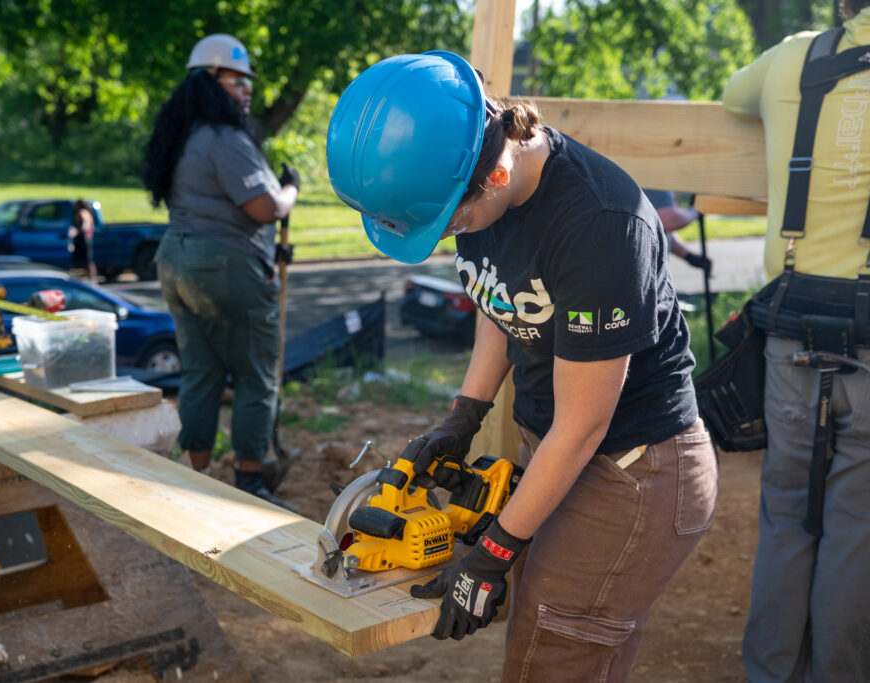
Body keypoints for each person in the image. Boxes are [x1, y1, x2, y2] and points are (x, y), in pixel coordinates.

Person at [326, 51, 717, 681]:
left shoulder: (599, 227)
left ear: (497, 175)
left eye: (452, 220)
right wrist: (464, 417)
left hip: (630, 472)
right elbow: (499, 295)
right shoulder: (475, 189)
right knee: (566, 648)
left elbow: (584, 424)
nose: (452, 234)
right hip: (563, 453)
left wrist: (493, 552)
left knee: (550, 657)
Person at [722, 3, 870, 679]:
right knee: (855, 528)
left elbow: (730, 96)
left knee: (785, 517)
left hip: (790, 327)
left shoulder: (795, 57)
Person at [142, 34, 300, 511]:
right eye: (236, 81)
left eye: (247, 82)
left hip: (175, 261)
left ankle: (195, 478)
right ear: (209, 81)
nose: (246, 90)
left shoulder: (182, 138)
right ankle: (251, 483)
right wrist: (291, 189)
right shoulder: (223, 138)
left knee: (201, 372)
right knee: (255, 374)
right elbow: (264, 207)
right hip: (225, 264)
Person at [642, 189, 712, 275]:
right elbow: (667, 219)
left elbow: (658, 231)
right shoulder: (656, 180)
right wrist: (694, 212)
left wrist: (688, 256)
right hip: (643, 270)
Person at [69, 199, 97, 283]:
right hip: (86, 237)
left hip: (84, 238)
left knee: (87, 260)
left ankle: (91, 279)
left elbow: (86, 225)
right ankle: (91, 278)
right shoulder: (86, 212)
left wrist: (76, 231)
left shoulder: (82, 213)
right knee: (87, 260)